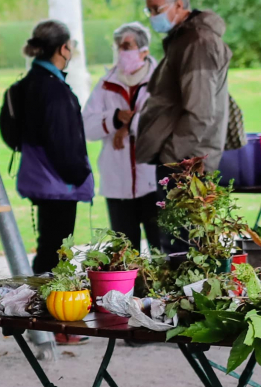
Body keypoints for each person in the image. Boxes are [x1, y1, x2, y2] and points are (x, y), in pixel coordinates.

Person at [8, 20, 95, 277]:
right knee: (55, 254)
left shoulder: (21, 86)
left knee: (48, 245)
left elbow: (9, 133)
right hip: (59, 183)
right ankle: (47, 310)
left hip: (37, 176)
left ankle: (42, 305)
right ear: (63, 48)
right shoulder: (54, 90)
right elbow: (64, 143)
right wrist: (80, 176)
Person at [83, 22, 167, 252]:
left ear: (144, 51)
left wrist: (127, 126)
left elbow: (162, 122)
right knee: (125, 255)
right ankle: (131, 290)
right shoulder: (106, 83)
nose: (121, 51)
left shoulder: (160, 80)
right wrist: (114, 118)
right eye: (119, 46)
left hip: (153, 181)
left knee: (161, 250)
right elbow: (87, 127)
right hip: (117, 184)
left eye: (127, 46)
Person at [136, 0, 230, 175]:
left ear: (179, 4)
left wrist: (169, 157)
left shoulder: (197, 43)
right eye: (149, 11)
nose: (153, 17)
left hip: (187, 164)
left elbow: (200, 113)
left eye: (156, 9)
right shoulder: (183, 40)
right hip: (181, 161)